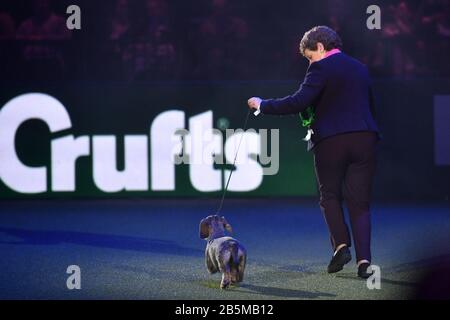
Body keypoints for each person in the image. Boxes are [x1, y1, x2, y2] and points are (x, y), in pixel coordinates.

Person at [248, 26, 381, 278]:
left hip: (332, 140)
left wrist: (263, 105)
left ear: (320, 47)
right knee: (360, 203)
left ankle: (341, 245)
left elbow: (298, 101)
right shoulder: (360, 67)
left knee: (329, 195)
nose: (310, 62)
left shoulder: (321, 67)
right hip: (365, 138)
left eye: (309, 56)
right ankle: (365, 263)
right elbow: (371, 106)